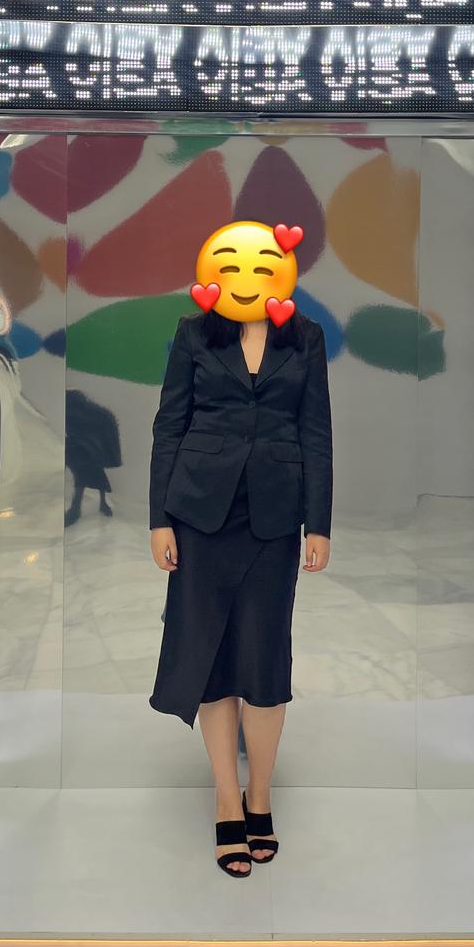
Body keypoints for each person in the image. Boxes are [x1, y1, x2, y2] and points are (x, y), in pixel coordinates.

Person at [148, 306, 333, 877]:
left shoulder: (305, 336)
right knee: (213, 655)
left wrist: (319, 523)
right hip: (200, 515)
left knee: (265, 658)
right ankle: (228, 800)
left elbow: (316, 431)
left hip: (274, 515)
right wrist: (159, 520)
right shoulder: (193, 332)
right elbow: (170, 424)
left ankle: (260, 795)